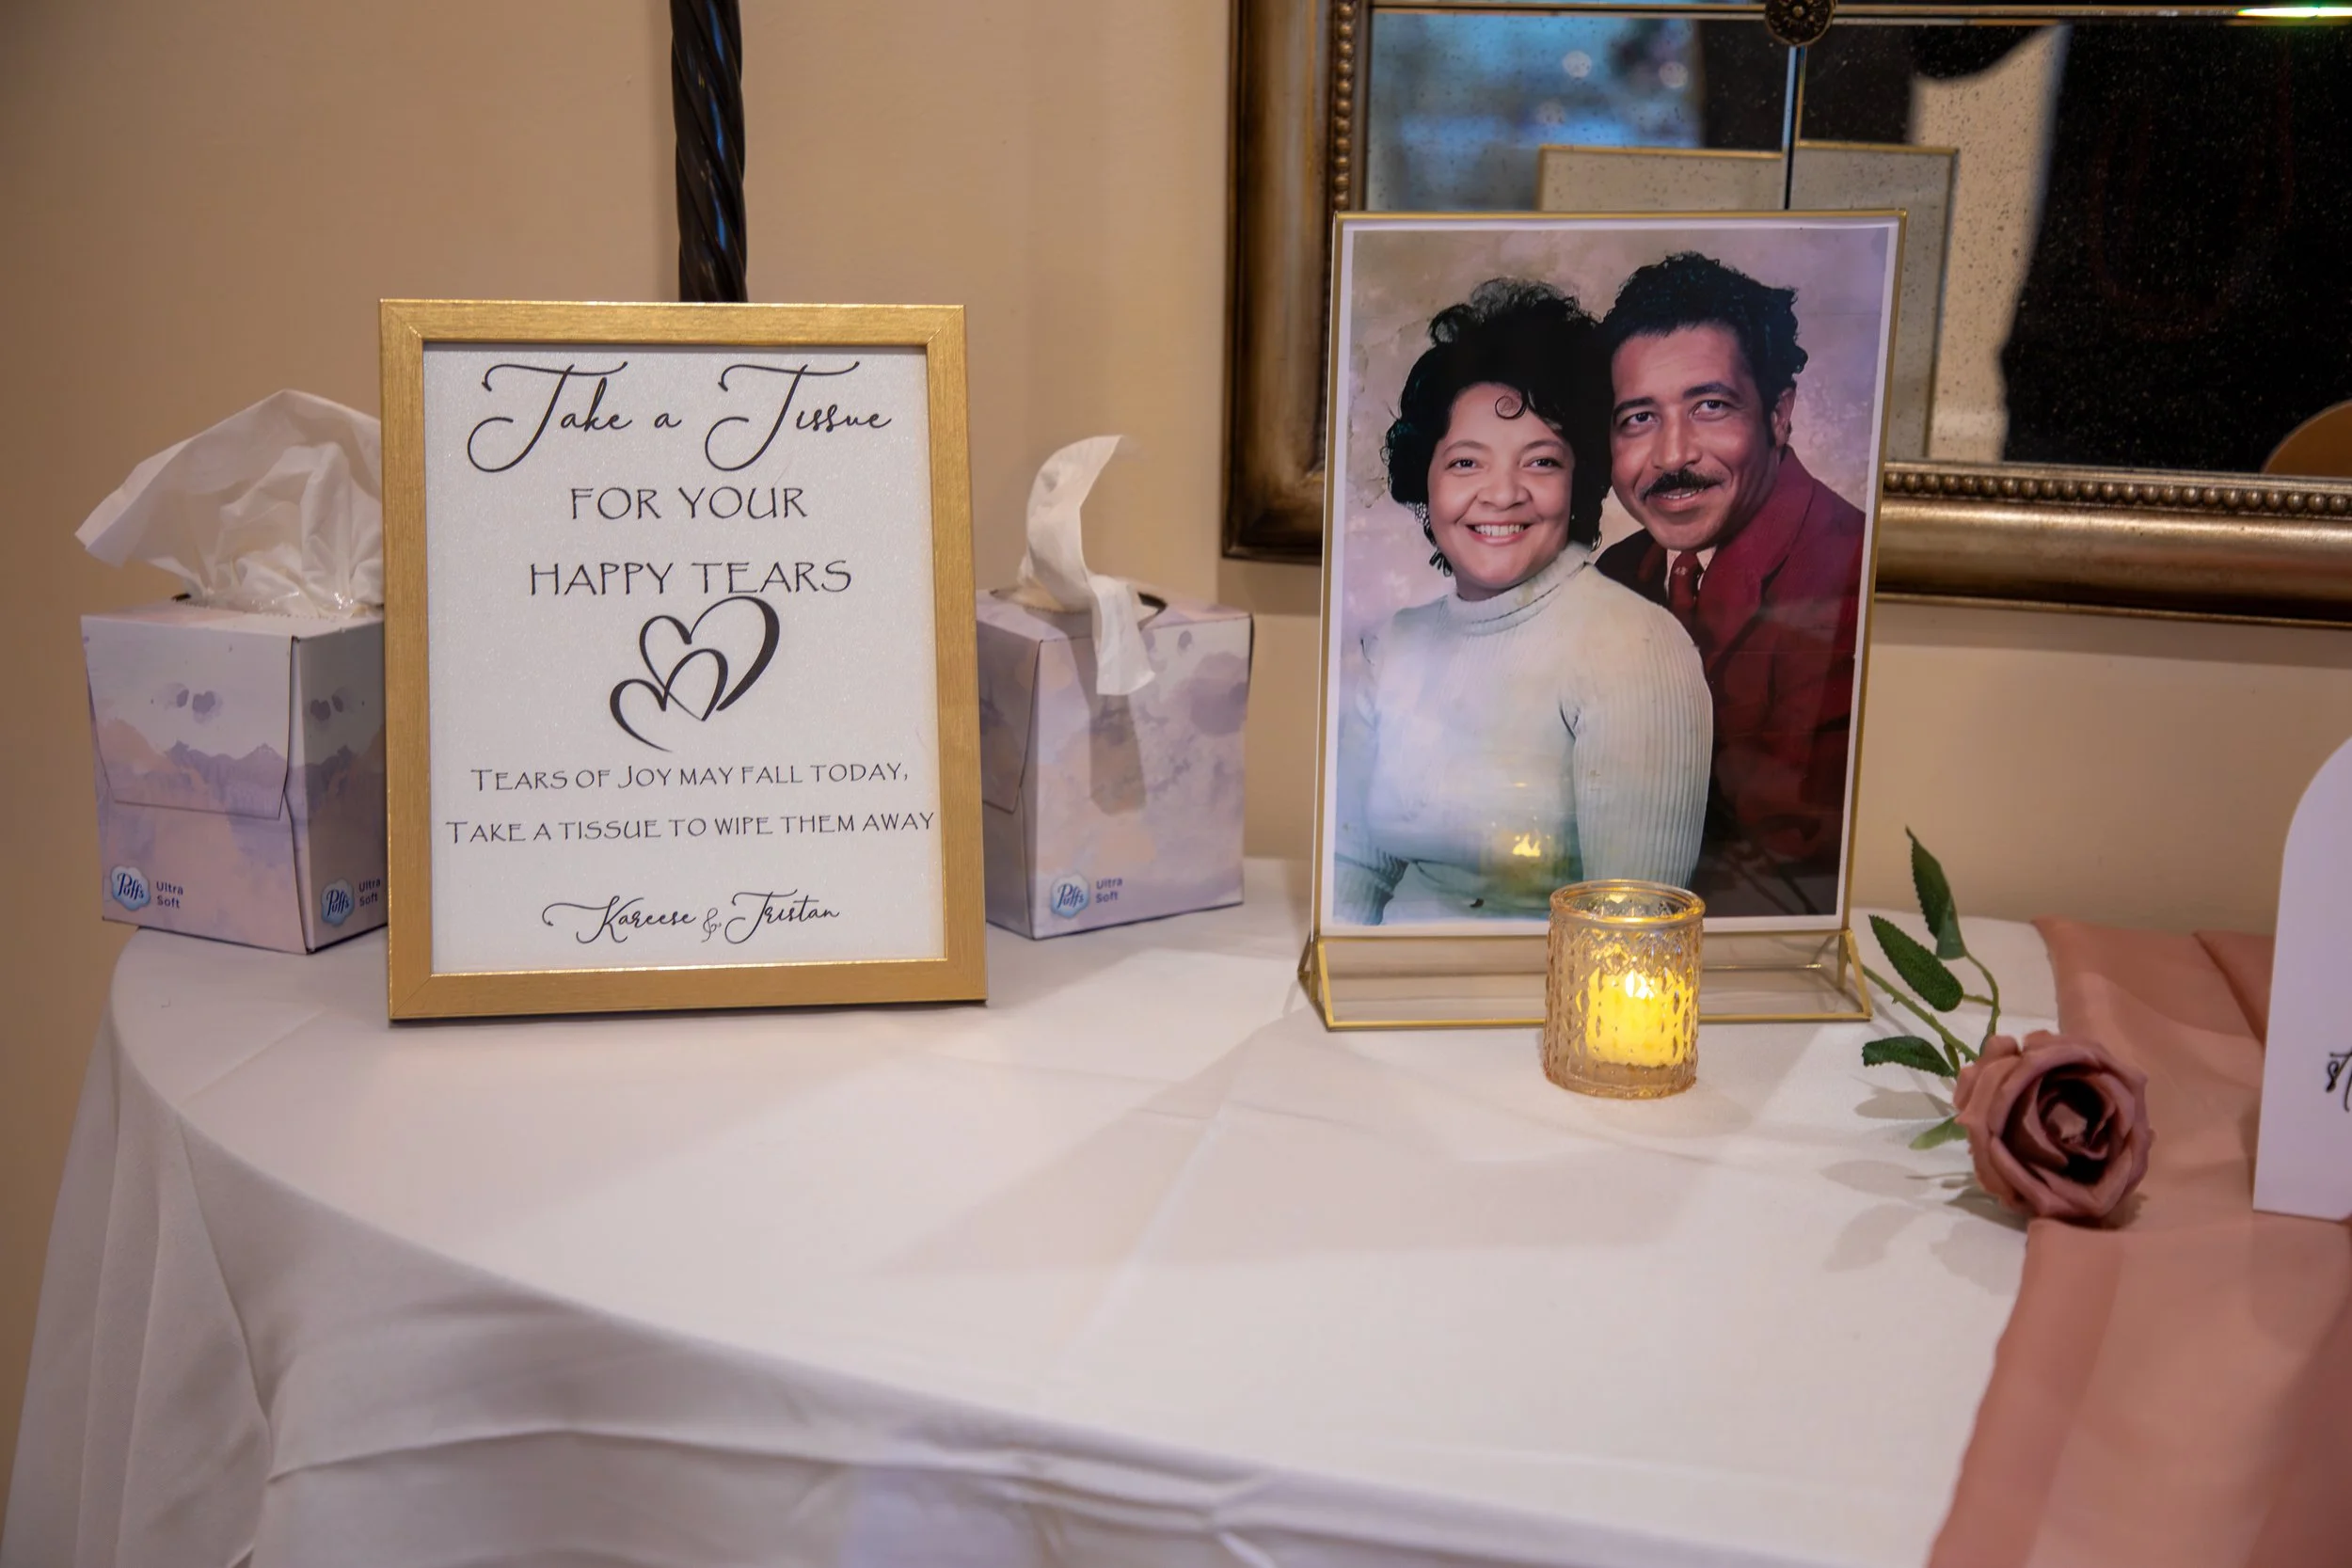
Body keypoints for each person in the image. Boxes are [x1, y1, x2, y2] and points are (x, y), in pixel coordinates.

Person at [1333, 279, 1711, 927]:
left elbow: (1631, 926)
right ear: (1424, 479)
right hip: (1390, 996)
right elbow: (1354, 873)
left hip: (1543, 1010)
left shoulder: (1635, 647)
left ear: (1581, 478)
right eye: (1465, 464)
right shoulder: (1390, 646)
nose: (1501, 495)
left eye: (1539, 462)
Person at [1596, 252, 1866, 918]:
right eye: (1639, 418)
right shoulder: (1615, 574)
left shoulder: (1849, 576)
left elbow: (1794, 875)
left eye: (1710, 406)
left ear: (1778, 414)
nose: (1672, 455)